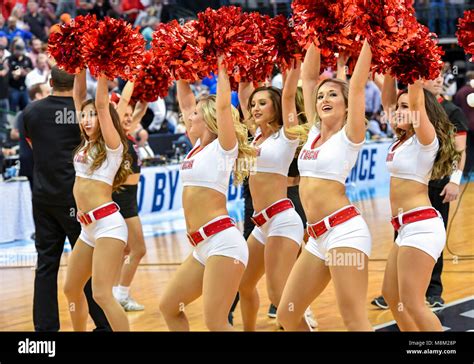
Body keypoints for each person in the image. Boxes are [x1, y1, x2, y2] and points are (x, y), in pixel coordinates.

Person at [277, 40, 373, 331]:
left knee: (354, 320)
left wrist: (371, 34)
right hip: (316, 237)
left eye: (333, 94)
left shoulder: (350, 134)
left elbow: (356, 86)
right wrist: (314, 35)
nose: (324, 98)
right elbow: (307, 78)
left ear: (346, 105)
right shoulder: (313, 133)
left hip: (345, 232)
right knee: (287, 315)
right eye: (321, 96)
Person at [159, 57, 254, 331]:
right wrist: (178, 65)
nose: (190, 116)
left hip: (223, 242)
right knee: (169, 306)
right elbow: (185, 100)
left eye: (197, 113)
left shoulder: (223, 148)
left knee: (215, 323)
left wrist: (223, 64)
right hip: (200, 246)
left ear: (211, 119)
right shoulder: (196, 147)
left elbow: (224, 105)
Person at [23, 66, 110, 331]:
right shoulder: (85, 113)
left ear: (49, 82)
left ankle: (46, 330)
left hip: (43, 197)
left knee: (46, 265)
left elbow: (30, 146)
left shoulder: (31, 112)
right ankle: (105, 326)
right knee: (87, 267)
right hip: (78, 199)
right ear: (75, 82)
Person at [381, 75, 460, 331]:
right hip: (404, 228)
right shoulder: (401, 140)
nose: (400, 110)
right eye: (399, 106)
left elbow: (416, 104)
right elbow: (387, 100)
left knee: (413, 302)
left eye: (406, 107)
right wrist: (391, 67)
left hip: (421, 226)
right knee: (393, 296)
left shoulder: (425, 140)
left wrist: (414, 66)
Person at [63, 69, 132, 331]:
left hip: (108, 226)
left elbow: (101, 103)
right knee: (71, 288)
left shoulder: (112, 146)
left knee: (102, 294)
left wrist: (102, 65)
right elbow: (78, 94)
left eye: (93, 116)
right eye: (84, 116)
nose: (87, 120)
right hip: (87, 228)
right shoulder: (85, 143)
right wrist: (79, 65)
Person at [236, 77, 305, 331]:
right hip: (261, 224)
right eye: (254, 104)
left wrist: (292, 64)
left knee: (278, 296)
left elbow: (288, 96)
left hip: (281, 221)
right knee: (243, 283)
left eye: (262, 103)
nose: (255, 108)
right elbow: (243, 93)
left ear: (276, 107)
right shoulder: (255, 138)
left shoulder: (285, 136)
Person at [110, 82, 149, 312]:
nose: (128, 117)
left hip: (129, 198)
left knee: (124, 250)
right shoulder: (113, 134)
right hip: (122, 200)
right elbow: (123, 103)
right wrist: (134, 76)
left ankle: (116, 293)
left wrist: (150, 87)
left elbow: (140, 108)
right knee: (138, 249)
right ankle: (121, 294)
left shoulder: (126, 131)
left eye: (129, 115)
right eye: (123, 114)